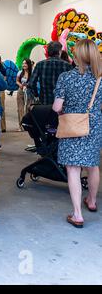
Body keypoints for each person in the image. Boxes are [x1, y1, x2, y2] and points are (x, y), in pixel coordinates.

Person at [52, 39, 102, 228]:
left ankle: (77, 214)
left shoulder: (66, 77)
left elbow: (57, 106)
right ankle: (92, 201)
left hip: (72, 125)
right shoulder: (100, 78)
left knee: (73, 168)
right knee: (93, 165)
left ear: (77, 55)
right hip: (95, 125)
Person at [16, 59, 33, 130]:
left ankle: (28, 125)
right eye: (23, 63)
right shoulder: (20, 72)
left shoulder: (32, 73)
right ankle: (21, 126)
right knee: (20, 109)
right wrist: (20, 85)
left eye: (25, 63)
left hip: (29, 91)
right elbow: (17, 81)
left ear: (29, 64)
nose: (24, 65)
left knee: (28, 108)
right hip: (20, 91)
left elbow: (34, 81)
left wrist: (28, 85)